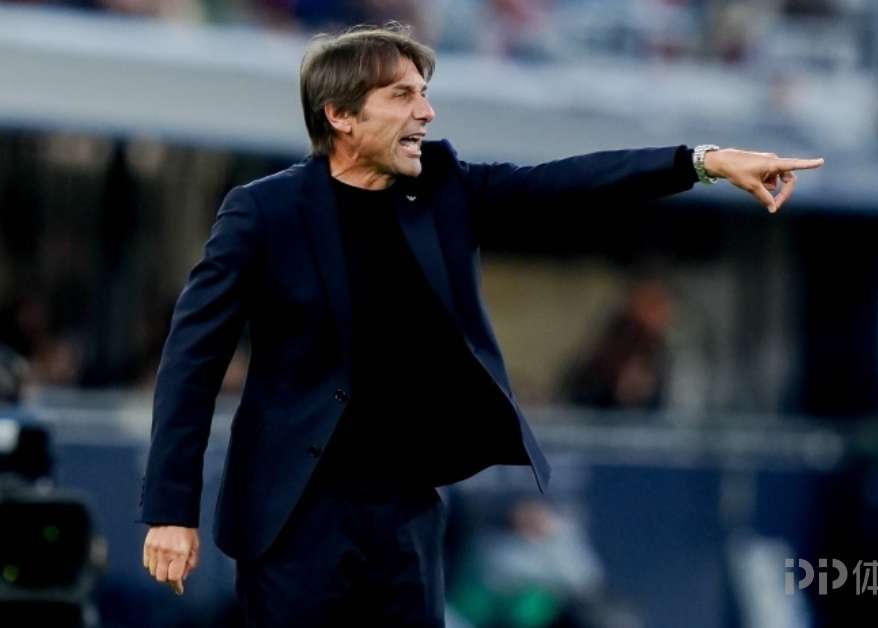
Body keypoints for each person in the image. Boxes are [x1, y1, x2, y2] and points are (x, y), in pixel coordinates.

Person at [139, 22, 824, 627]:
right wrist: (171, 509)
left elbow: (569, 183)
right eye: (403, 96)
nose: (426, 111)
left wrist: (701, 163)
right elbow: (192, 359)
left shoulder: (444, 188)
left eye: (424, 93)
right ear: (341, 115)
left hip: (405, 514)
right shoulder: (262, 213)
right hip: (291, 517)